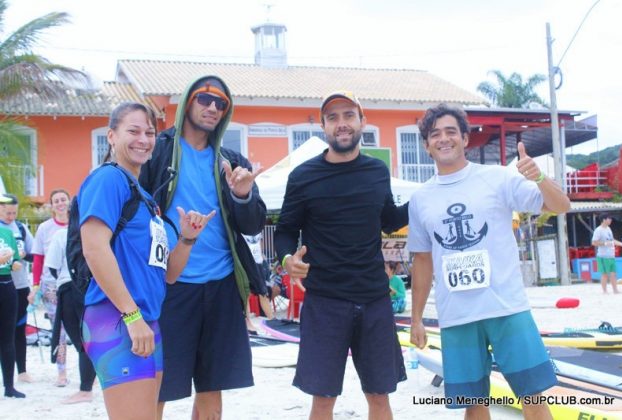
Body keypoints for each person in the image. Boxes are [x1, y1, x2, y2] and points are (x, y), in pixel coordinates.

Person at [408, 103, 571, 420]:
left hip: (507, 308)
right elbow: (423, 260)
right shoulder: (420, 199)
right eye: (435, 134)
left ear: (465, 139)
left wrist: (539, 177)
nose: (444, 139)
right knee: (474, 403)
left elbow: (561, 205)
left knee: (533, 397)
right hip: (457, 316)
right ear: (427, 145)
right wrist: (416, 318)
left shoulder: (497, 178)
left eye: (451, 132)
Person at [139, 75, 266, 419]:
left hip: (223, 284)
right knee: (158, 383)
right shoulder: (160, 149)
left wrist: (242, 194)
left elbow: (253, 225)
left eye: (221, 103)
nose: (212, 107)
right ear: (187, 103)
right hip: (169, 285)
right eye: (204, 99)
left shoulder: (232, 160)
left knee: (213, 384)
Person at [274, 91, 408, 420]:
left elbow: (389, 219)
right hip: (325, 301)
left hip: (375, 298)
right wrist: (288, 259)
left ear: (362, 122)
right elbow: (285, 230)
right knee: (322, 400)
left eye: (348, 115)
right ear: (323, 127)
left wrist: (424, 201)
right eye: (333, 118)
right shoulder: (303, 176)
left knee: (380, 396)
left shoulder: (377, 171)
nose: (342, 124)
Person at [78, 102, 212, 419]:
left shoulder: (145, 198)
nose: (144, 139)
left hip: (144, 320)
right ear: (111, 136)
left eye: (150, 132)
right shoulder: (108, 179)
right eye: (133, 131)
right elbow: (94, 248)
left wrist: (187, 237)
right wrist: (132, 316)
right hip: (117, 319)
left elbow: (167, 275)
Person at [44, 227, 97, 404]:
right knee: (92, 339)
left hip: (71, 286)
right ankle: (90, 382)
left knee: (83, 343)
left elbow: (52, 266)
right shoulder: (99, 229)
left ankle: (85, 389)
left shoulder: (61, 233)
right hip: (95, 287)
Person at [29, 188, 71, 387]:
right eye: (56, 201)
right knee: (59, 330)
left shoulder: (78, 224)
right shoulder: (45, 229)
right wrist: (35, 286)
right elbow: (38, 259)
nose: (60, 203)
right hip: (51, 286)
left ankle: (89, 370)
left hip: (75, 284)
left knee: (83, 327)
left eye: (63, 199)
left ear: (69, 202)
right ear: (51, 205)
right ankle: (61, 371)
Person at [0, 193, 34, 383]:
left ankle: (21, 370)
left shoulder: (20, 227)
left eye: (14, 212)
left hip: (19, 285)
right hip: (3, 282)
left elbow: (34, 253)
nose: (11, 216)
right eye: (7, 213)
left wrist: (21, 255)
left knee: (18, 328)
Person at [0, 221, 24, 397]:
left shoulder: (7, 232)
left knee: (8, 338)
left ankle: (9, 387)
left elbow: (14, 259)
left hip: (7, 284)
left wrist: (16, 262)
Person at [591, 213, 622, 294]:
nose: (611, 220)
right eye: (609, 218)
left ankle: (615, 290)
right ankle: (604, 291)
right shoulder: (598, 230)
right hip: (603, 256)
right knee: (604, 274)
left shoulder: (608, 229)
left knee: (613, 273)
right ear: (604, 220)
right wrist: (604, 244)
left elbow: (612, 241)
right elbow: (594, 242)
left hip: (611, 255)